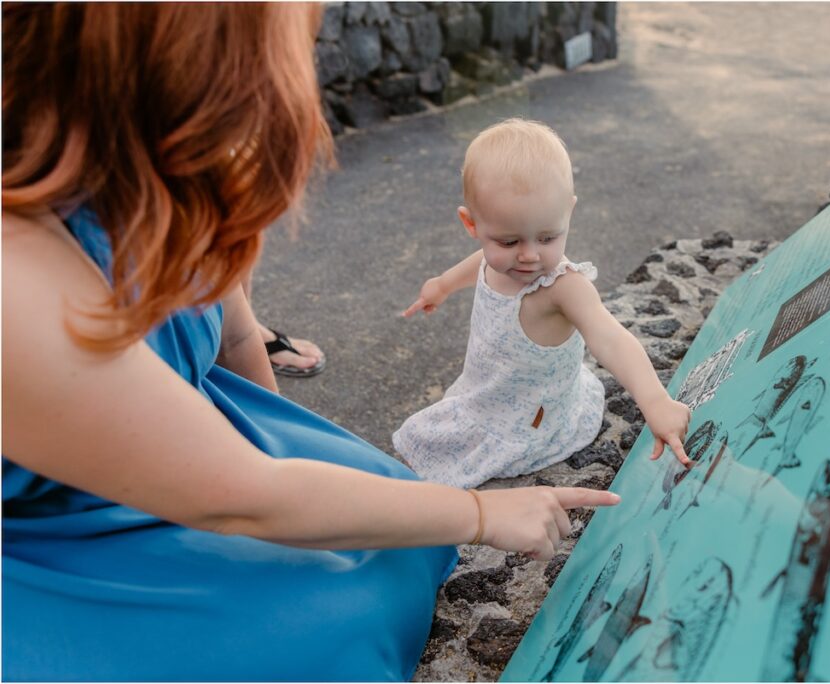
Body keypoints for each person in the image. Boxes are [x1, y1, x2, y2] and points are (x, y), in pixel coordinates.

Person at [0, 6, 620, 681]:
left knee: (389, 543)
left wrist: (283, 438)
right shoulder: (19, 271)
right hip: (63, 535)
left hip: (204, 448)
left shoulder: (157, 173)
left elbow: (237, 331)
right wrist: (480, 511)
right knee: (319, 633)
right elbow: (240, 494)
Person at [397, 118, 693, 489]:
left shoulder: (564, 286)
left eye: (548, 237)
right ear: (472, 225)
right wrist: (442, 285)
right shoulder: (494, 257)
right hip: (490, 390)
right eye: (509, 242)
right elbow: (481, 261)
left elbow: (611, 338)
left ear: (568, 212)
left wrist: (655, 401)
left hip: (533, 419)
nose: (529, 256)